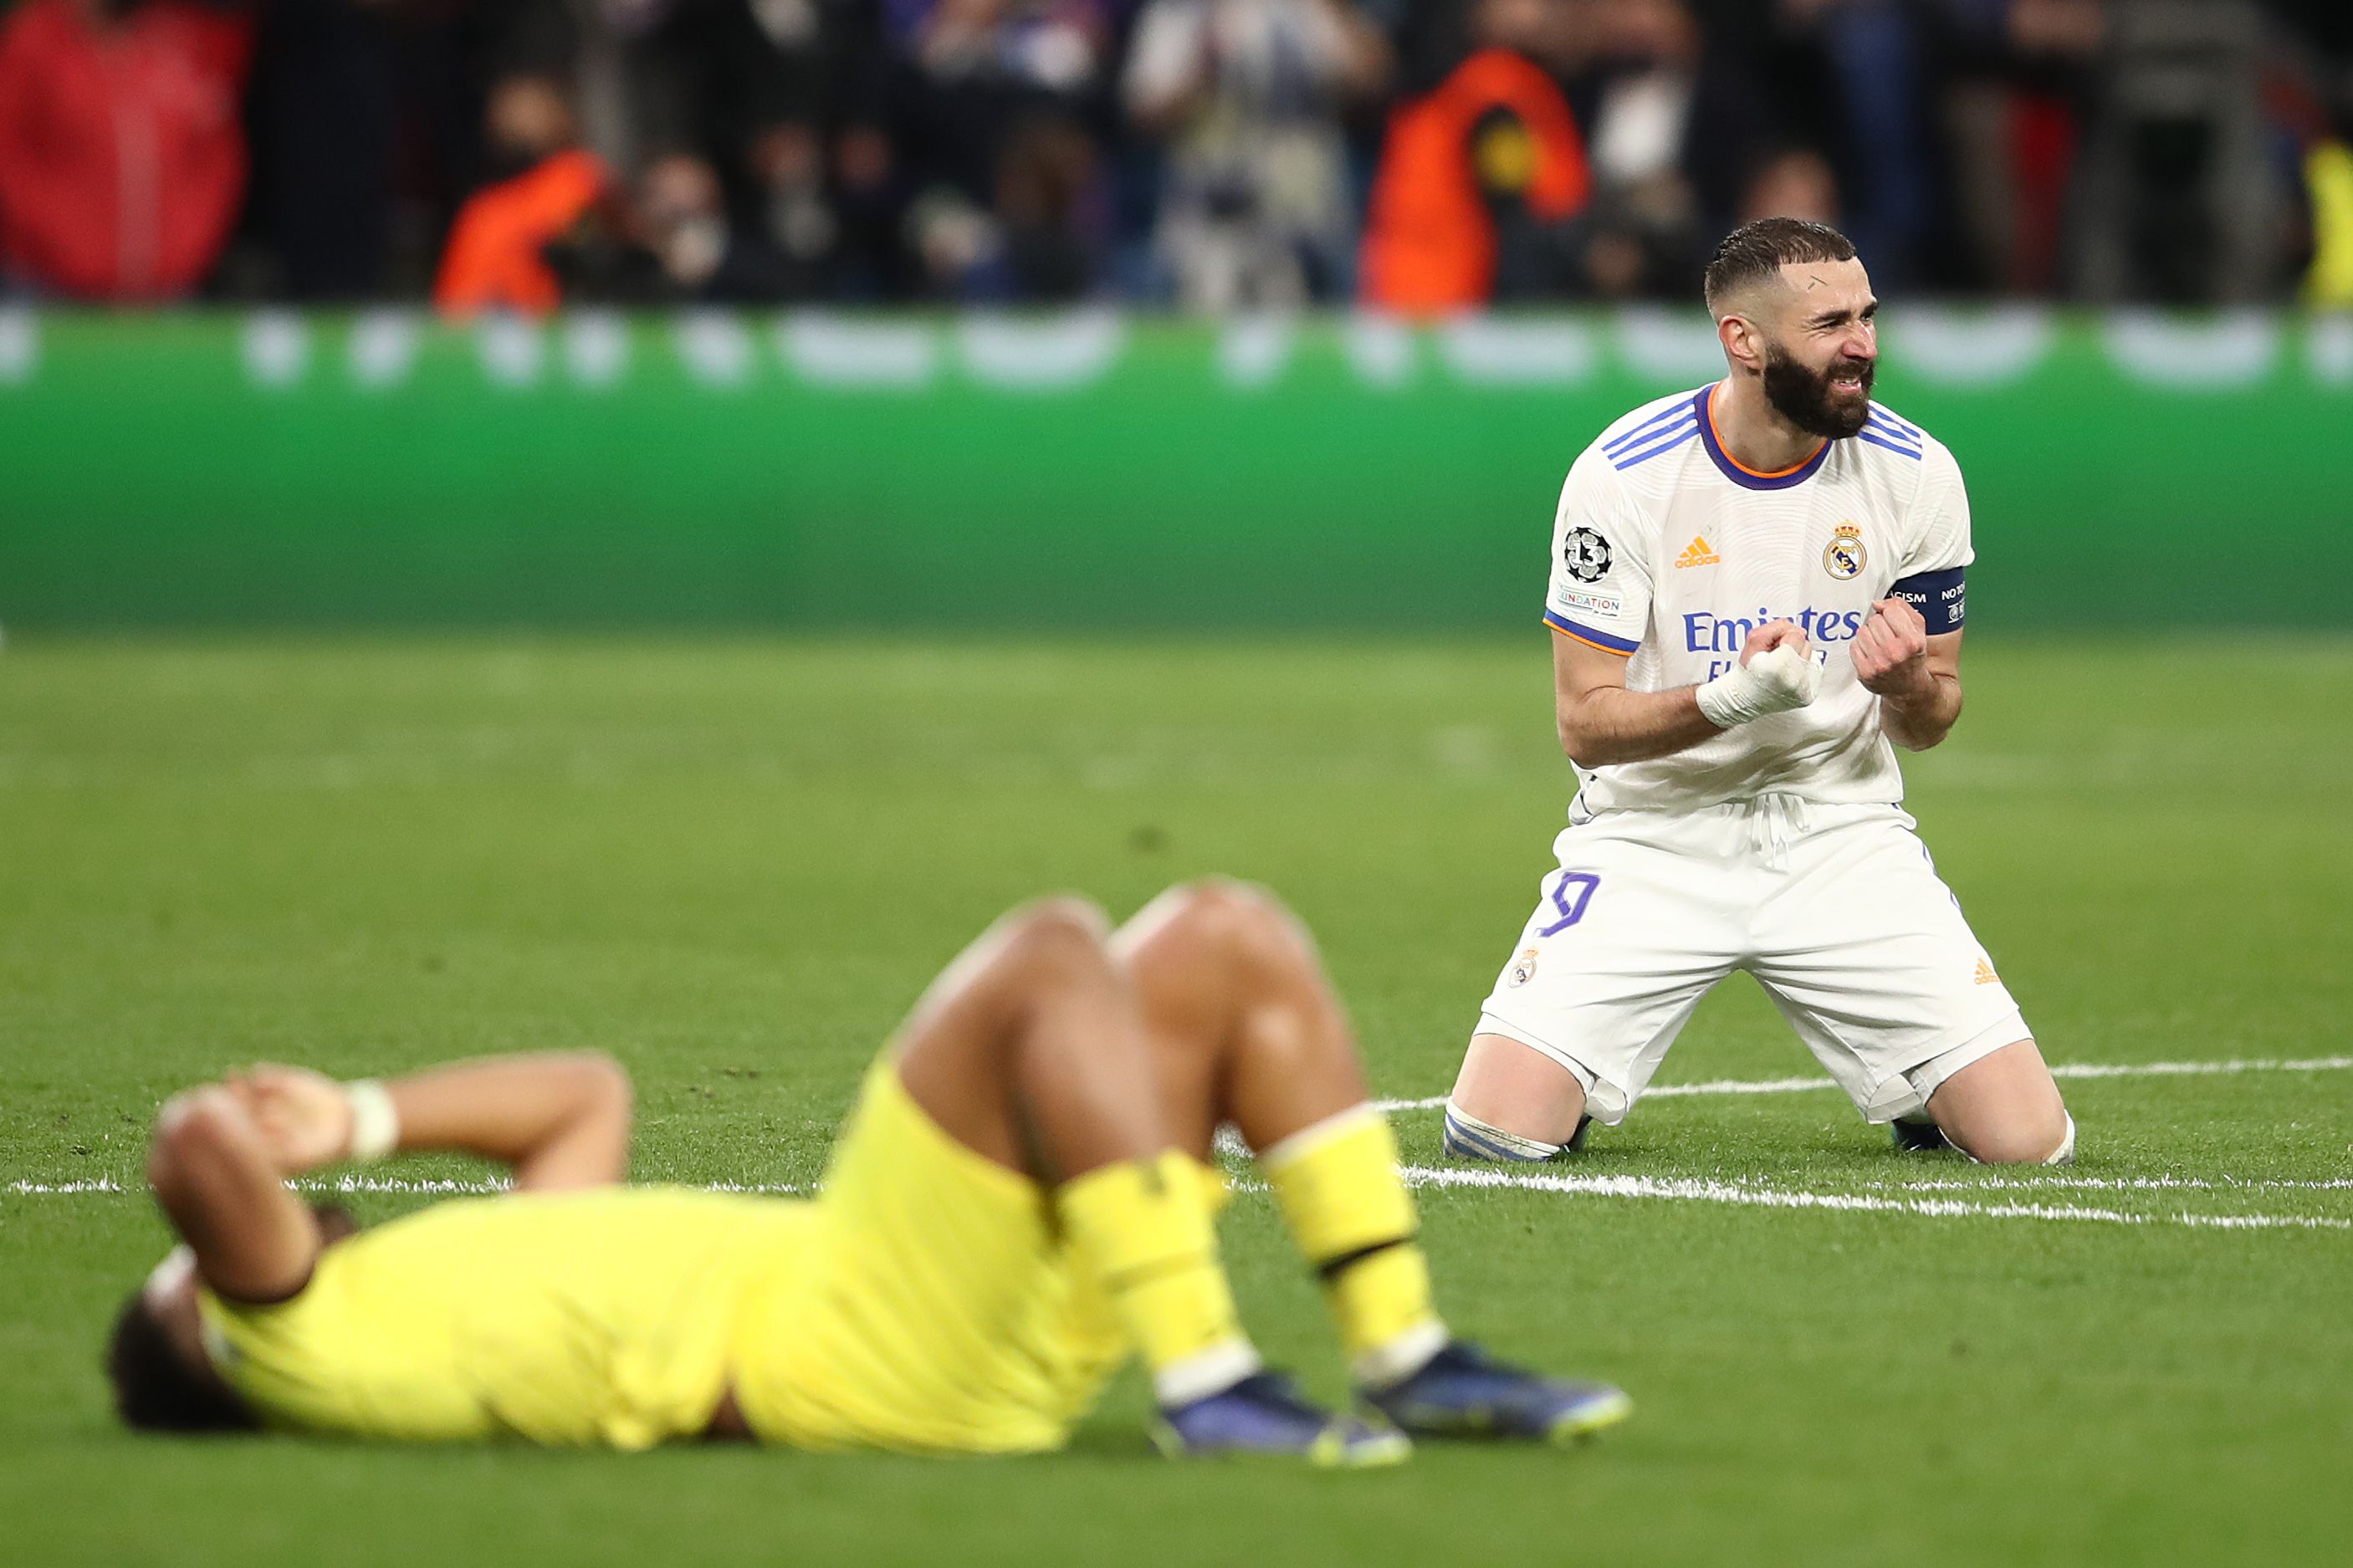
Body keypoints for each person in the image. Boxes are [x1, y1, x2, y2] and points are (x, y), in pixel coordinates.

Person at [108, 881, 1631, 1462]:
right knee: (1044, 953)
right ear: (209, 1321)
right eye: (198, 1269)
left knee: (1222, 933)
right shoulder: (292, 1341)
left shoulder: (447, 1294)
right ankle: (1204, 1378)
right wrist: (270, 1153)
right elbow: (192, 1147)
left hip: (934, 1316)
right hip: (848, 1351)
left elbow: (584, 1095)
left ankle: (1403, 1350)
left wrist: (363, 1118)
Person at [1441, 217, 2074, 1167]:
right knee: (1495, 1134)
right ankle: (1559, 1078)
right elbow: (1582, 724)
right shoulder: (1624, 476)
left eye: (1865, 316)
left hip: (1837, 833)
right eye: (1828, 325)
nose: (1860, 343)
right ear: (1742, 340)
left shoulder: (1917, 474)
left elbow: (1933, 715)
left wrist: (1905, 685)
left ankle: (1917, 1088)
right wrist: (1727, 699)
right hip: (1656, 838)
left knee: (2031, 1146)